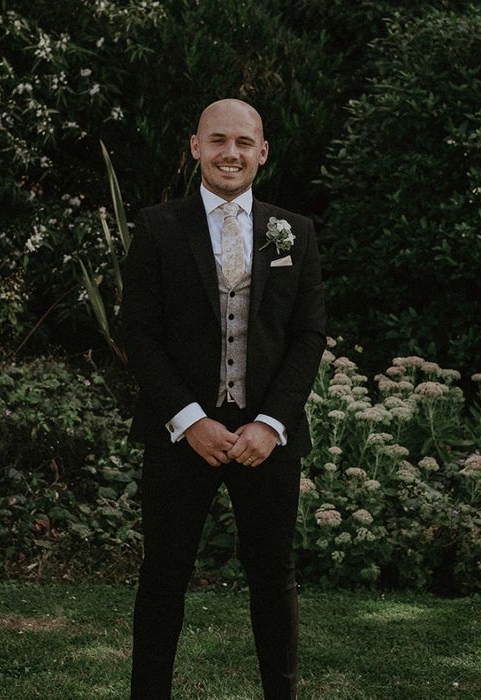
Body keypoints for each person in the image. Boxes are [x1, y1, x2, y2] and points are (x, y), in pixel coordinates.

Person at [121, 98, 326, 699]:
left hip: (266, 436)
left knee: (272, 576)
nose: (229, 153)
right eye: (217, 141)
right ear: (195, 147)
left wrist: (271, 423)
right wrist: (188, 420)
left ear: (262, 152)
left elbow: (308, 334)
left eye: (243, 142)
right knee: (163, 575)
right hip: (182, 431)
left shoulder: (294, 231)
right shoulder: (159, 227)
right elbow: (140, 331)